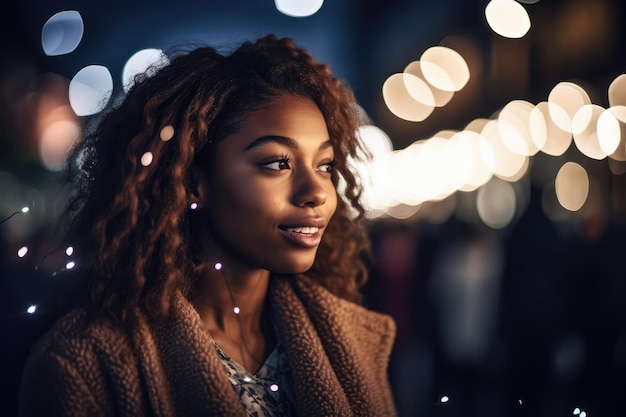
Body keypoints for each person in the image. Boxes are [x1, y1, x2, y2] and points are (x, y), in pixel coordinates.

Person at [18, 35, 397, 416]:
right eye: (277, 163)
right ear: (193, 180)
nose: (316, 192)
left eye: (325, 165)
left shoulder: (354, 340)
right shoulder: (87, 361)